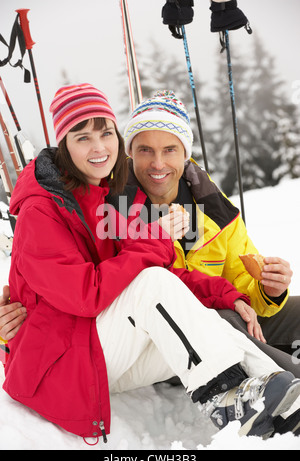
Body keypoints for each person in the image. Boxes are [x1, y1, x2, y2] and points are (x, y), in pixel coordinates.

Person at [1, 83, 300, 441]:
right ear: (63, 143)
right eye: (82, 137)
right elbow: (87, 294)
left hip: (100, 347)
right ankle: (223, 397)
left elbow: (167, 274)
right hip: (62, 364)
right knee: (153, 285)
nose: (99, 147)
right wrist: (155, 238)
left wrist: (225, 293)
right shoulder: (42, 210)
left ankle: (285, 401)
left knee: (210, 320)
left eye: (106, 133)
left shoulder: (105, 194)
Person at [121, 90, 300, 379]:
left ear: (185, 153)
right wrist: (156, 236)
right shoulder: (115, 207)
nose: (158, 163)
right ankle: (287, 385)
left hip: (231, 319)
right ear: (130, 153)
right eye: (145, 150)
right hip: (172, 347)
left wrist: (268, 289)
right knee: (224, 319)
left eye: (169, 149)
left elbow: (241, 282)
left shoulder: (211, 206)